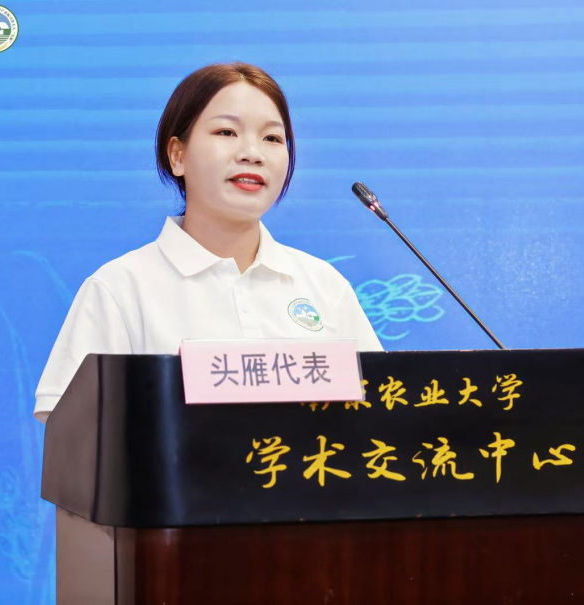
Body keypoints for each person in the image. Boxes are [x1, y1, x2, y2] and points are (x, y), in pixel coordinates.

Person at [33, 61, 383, 424]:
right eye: (227, 132)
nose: (253, 153)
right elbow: (72, 435)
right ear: (177, 155)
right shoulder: (120, 289)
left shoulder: (324, 285)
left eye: (272, 138)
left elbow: (382, 413)